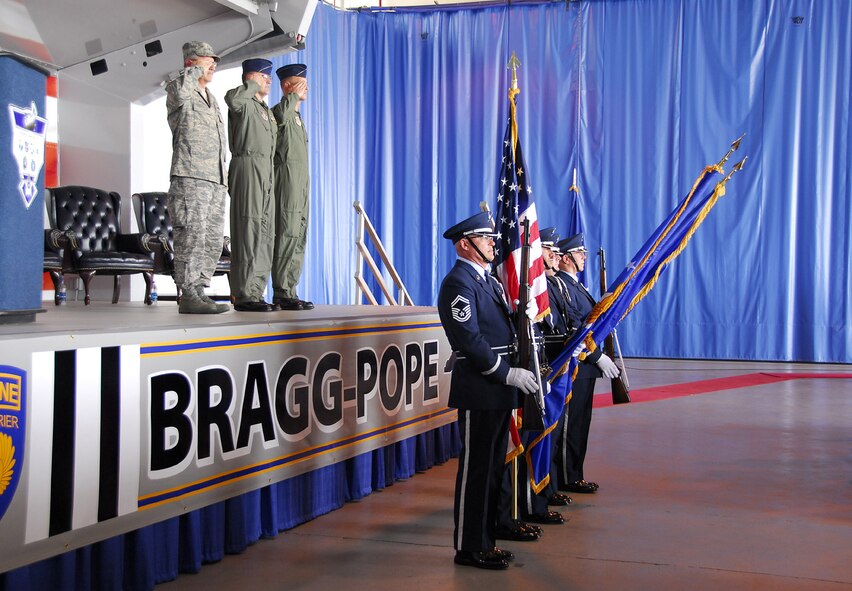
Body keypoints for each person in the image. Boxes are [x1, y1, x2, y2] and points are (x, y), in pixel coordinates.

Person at [437, 212, 540, 571]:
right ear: (465, 244)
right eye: (486, 239)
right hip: (480, 389)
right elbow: (470, 340)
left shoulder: (488, 281)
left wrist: (522, 315)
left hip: (496, 390)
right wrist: (506, 373)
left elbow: (501, 330)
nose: (494, 244)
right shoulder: (458, 283)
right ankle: (469, 547)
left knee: (494, 468)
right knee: (476, 472)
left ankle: (486, 540)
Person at [165, 41, 230, 314]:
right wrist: (192, 71)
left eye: (214, 60)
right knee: (191, 235)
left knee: (211, 239)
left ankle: (200, 290)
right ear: (191, 62)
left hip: (214, 179)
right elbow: (180, 92)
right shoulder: (179, 87)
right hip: (190, 176)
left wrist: (224, 178)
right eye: (206, 59)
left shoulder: (211, 98)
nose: (213, 64)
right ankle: (188, 293)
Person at [554, 233, 620, 494]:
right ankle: (566, 477)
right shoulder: (562, 286)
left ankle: (574, 473)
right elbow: (575, 329)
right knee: (570, 425)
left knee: (580, 423)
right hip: (577, 366)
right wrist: (596, 357)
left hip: (586, 368)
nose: (584, 258)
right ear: (566, 258)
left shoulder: (577, 286)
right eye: (580, 254)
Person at [225, 58, 279, 312]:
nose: (269, 81)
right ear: (251, 77)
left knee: (265, 233)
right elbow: (232, 99)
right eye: (264, 77)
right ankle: (244, 293)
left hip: (266, 171)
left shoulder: (265, 110)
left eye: (268, 78)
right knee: (248, 229)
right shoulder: (243, 101)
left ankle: (256, 291)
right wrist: (251, 85)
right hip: (247, 167)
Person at [271, 64, 313, 311]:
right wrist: (292, 98)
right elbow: (279, 118)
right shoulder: (280, 112)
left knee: (299, 235)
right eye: (300, 84)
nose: (306, 88)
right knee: (286, 234)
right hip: (286, 182)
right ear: (287, 86)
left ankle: (291, 288)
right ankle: (282, 291)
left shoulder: (297, 117)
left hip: (301, 184)